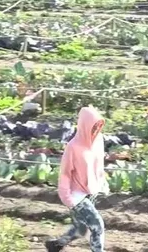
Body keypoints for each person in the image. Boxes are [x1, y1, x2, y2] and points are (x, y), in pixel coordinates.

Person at [46, 106, 108, 252]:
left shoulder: (99, 140)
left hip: (91, 190)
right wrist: (67, 198)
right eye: (93, 126)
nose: (96, 129)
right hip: (76, 195)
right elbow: (65, 173)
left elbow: (99, 163)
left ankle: (55, 246)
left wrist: (102, 182)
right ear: (84, 125)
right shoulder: (73, 147)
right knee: (97, 226)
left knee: (81, 228)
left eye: (99, 125)